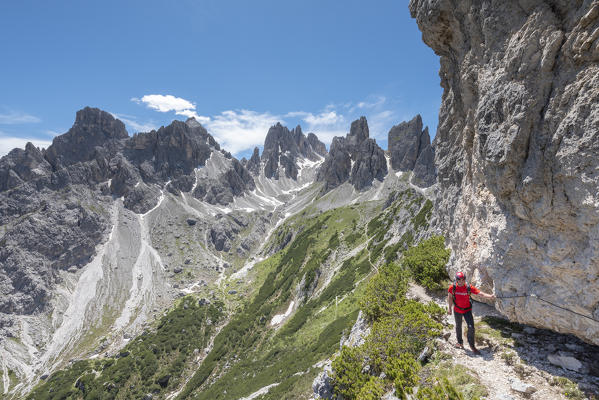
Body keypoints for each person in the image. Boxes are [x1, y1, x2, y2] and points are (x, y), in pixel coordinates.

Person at [447, 271, 495, 355]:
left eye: (463, 279)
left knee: (471, 327)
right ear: (456, 280)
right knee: (458, 326)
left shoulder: (468, 287)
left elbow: (480, 293)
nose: (461, 281)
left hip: (467, 310)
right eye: (459, 279)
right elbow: (450, 297)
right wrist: (449, 308)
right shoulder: (452, 288)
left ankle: (472, 346)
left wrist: (490, 296)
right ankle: (460, 342)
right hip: (457, 310)